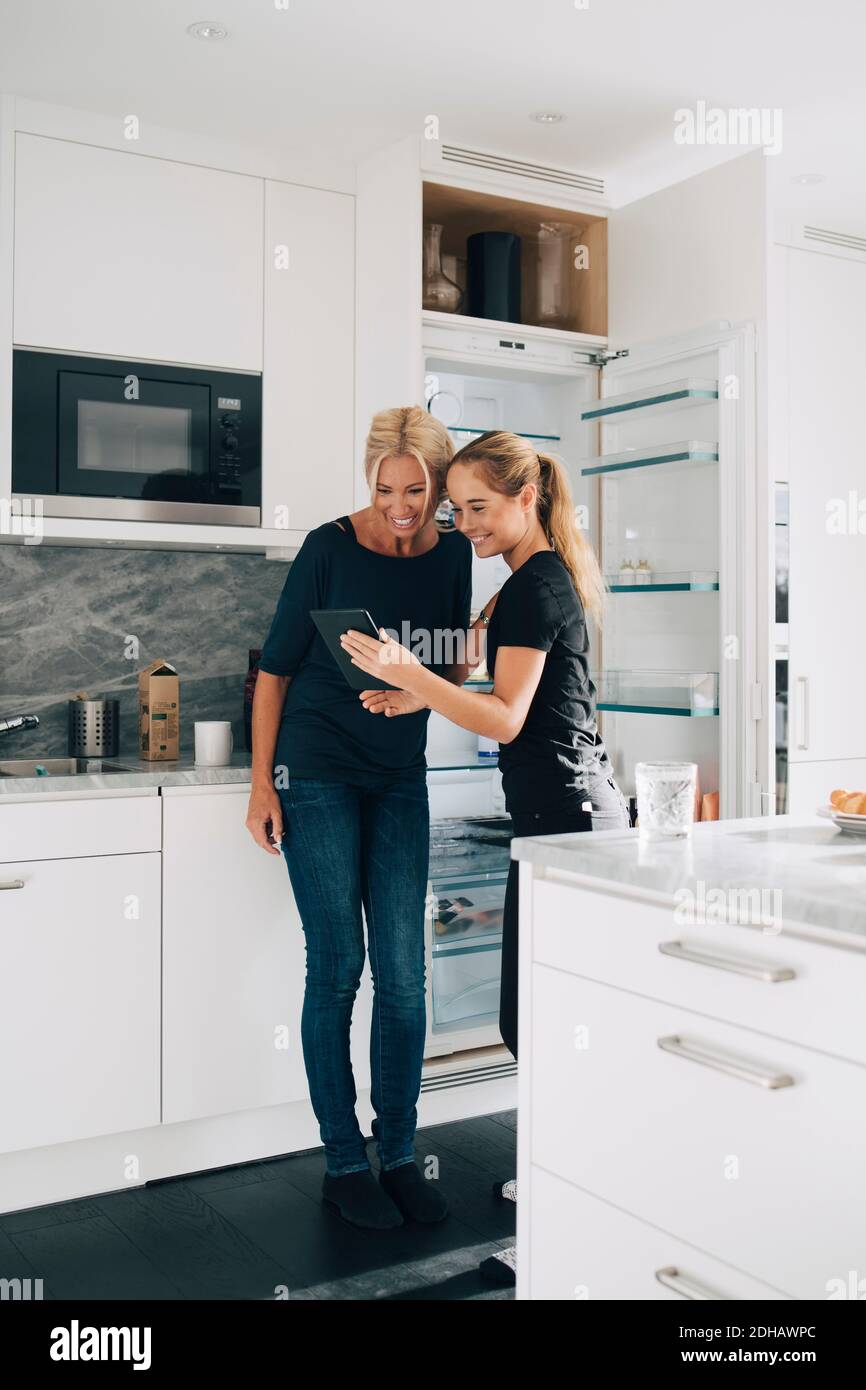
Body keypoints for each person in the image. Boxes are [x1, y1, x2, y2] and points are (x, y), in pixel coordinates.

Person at [340, 429, 630, 1281]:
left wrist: (410, 673)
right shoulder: (518, 585)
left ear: (524, 500)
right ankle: (569, 1186)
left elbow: (505, 717)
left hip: (575, 830)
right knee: (537, 1024)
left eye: (476, 507)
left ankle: (573, 1205)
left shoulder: (538, 585)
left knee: (545, 1029)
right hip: (556, 824)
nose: (461, 522)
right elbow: (479, 682)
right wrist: (410, 690)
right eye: (455, 508)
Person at [246, 406, 481, 1231]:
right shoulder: (327, 547)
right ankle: (344, 1163)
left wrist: (427, 677)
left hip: (398, 778)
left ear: (440, 486)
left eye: (415, 490)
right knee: (338, 963)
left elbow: (449, 661)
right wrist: (261, 787)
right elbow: (274, 671)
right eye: (385, 489)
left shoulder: (454, 553)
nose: (399, 506)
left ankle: (402, 1154)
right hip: (316, 771)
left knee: (407, 979)